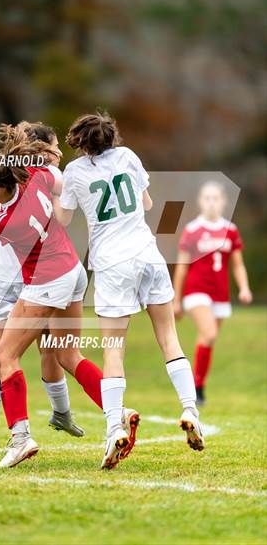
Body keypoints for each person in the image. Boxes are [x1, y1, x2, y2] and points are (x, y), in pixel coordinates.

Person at [0, 133, 139, 469]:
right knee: (68, 354)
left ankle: (20, 438)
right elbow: (55, 181)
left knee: (6, 354)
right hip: (73, 270)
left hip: (47, 281)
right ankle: (119, 414)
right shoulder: (39, 176)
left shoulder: (3, 222)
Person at [53, 111, 205, 458]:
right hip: (147, 254)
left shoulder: (73, 172)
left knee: (113, 350)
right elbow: (147, 203)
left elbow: (62, 218)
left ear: (79, 141)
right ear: (110, 137)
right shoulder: (127, 156)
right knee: (169, 338)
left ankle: (113, 429)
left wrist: (51, 192)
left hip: (112, 264)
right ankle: (189, 410)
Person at [0, 122, 84, 457]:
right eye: (55, 147)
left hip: (5, 275)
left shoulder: (11, 178)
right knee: (47, 346)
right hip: (37, 274)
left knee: (1, 348)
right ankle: (62, 413)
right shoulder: (42, 174)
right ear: (43, 152)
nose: (59, 153)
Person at [173, 181, 252, 406]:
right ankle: (195, 387)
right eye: (206, 198)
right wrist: (176, 299)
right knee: (208, 333)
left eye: (215, 198)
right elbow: (182, 266)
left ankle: (198, 385)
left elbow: (237, 264)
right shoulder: (192, 230)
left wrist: (244, 287)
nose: (211, 202)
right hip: (196, 291)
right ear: (200, 202)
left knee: (208, 339)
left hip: (220, 293)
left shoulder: (231, 230)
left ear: (224, 202)